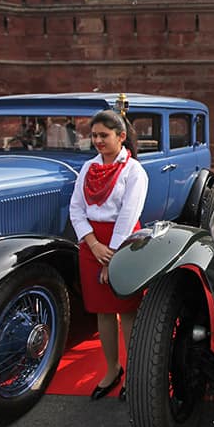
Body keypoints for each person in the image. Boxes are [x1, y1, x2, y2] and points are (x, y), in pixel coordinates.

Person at [69, 109, 147, 401]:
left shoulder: (133, 171)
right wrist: (92, 243)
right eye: (94, 136)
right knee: (103, 311)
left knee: (126, 310)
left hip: (122, 244)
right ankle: (112, 369)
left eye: (104, 135)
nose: (98, 141)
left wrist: (111, 254)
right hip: (92, 245)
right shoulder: (88, 168)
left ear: (121, 136)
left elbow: (129, 214)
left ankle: (134, 370)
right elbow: (76, 208)